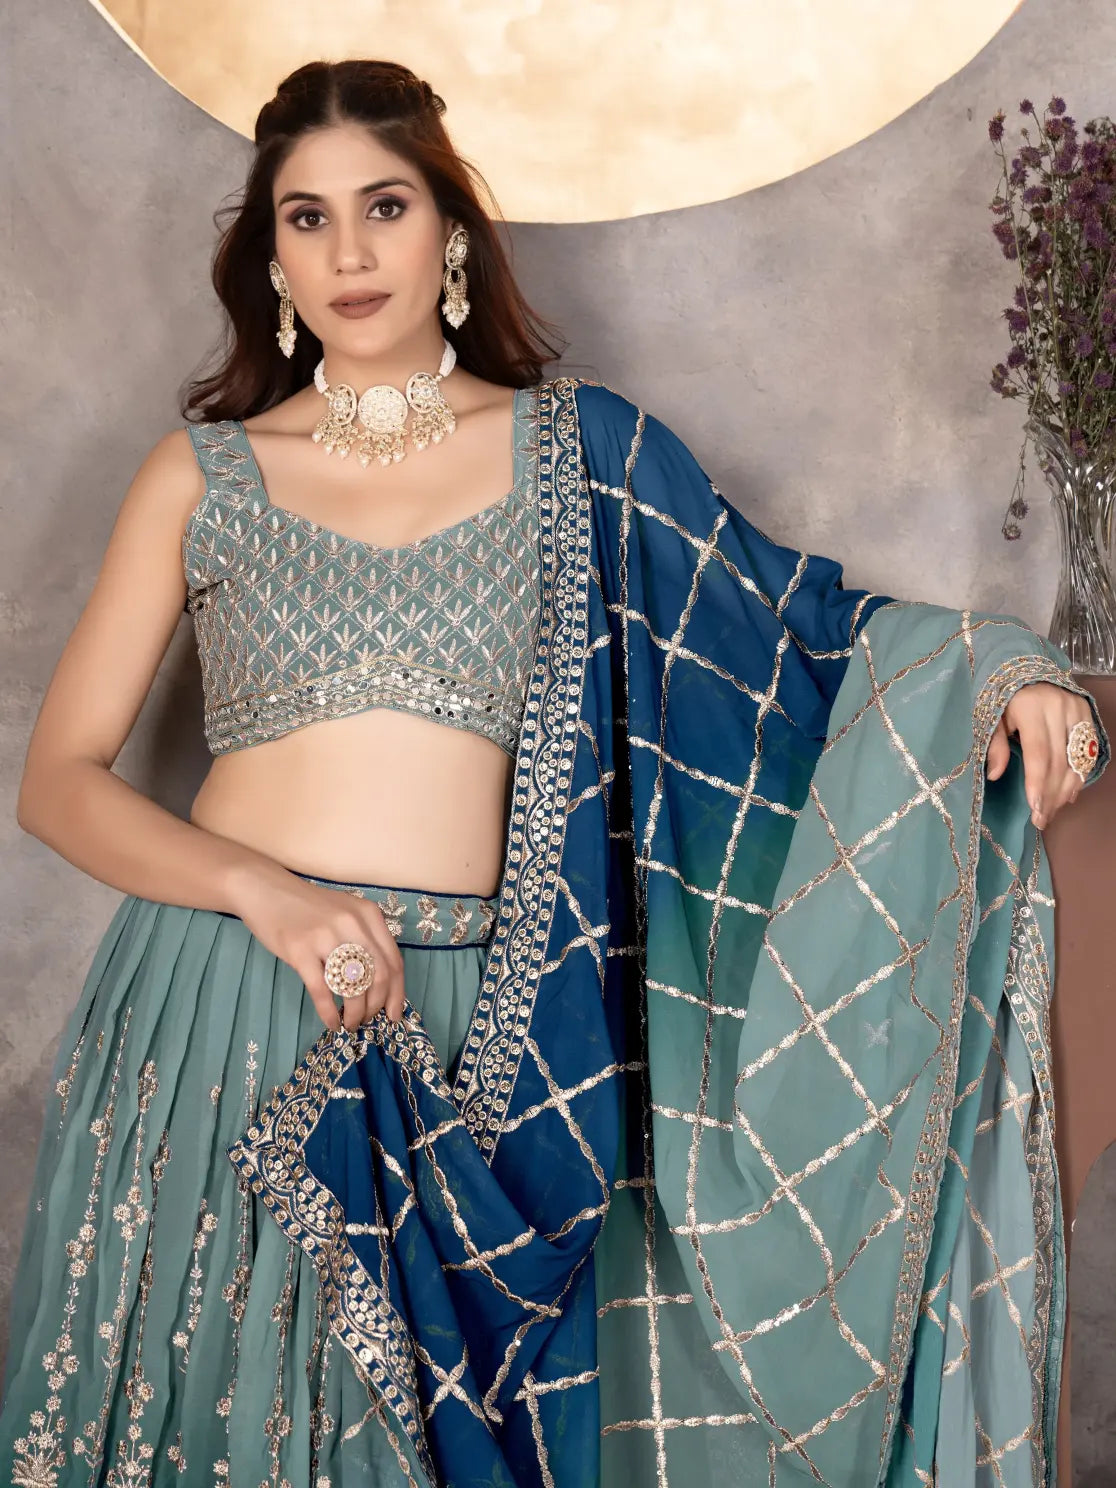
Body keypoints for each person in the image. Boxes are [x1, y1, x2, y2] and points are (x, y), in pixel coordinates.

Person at [0, 58, 1107, 1488]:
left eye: (384, 207)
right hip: (221, 1008)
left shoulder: (580, 454)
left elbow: (793, 638)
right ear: (266, 255)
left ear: (452, 231)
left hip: (478, 1042)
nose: (349, 254)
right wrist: (264, 899)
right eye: (307, 218)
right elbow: (59, 780)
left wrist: (1003, 662)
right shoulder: (202, 475)